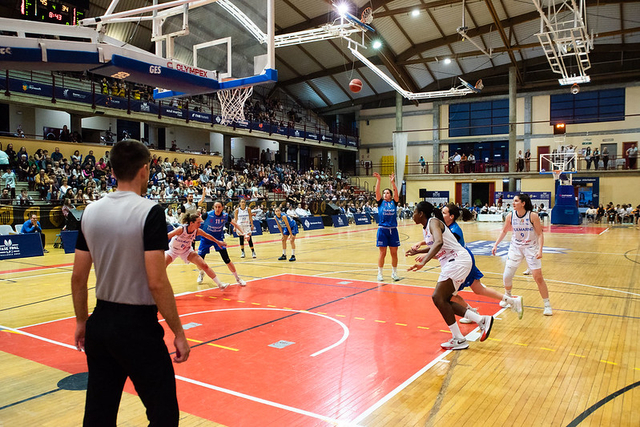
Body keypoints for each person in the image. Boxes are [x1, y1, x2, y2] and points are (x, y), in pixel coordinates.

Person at [70, 139, 189, 426]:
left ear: (112, 170)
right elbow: (157, 282)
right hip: (137, 329)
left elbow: (77, 277)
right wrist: (179, 332)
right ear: (145, 170)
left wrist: (81, 321)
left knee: (99, 413)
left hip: (101, 323)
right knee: (164, 414)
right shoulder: (150, 211)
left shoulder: (90, 211)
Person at [405, 202, 493, 350]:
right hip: (453, 261)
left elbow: (439, 242)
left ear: (421, 214)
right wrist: (419, 252)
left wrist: (424, 262)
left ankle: (460, 337)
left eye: (414, 212)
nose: (412, 215)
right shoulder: (426, 227)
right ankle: (480, 320)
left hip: (457, 260)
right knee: (444, 300)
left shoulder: (433, 222)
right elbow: (438, 244)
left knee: (438, 297)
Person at [436, 203, 523, 324]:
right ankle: (512, 301)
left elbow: (442, 248)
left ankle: (472, 313)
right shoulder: (448, 228)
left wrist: (425, 255)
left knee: (449, 294)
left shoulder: (454, 230)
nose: (441, 214)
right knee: (479, 289)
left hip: (462, 263)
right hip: (465, 260)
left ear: (451, 216)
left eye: (444, 213)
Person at [492, 193, 553, 316]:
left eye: (516, 201)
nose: (513, 203)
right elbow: (504, 231)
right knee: (507, 276)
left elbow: (540, 234)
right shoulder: (510, 215)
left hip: (531, 248)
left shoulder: (533, 216)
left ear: (523, 203)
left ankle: (547, 305)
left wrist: (540, 250)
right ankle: (508, 297)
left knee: (538, 277)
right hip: (516, 248)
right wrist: (496, 244)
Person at [165, 213, 229, 290]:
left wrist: (218, 242)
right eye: (198, 222)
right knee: (161, 267)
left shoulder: (197, 231)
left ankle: (220, 284)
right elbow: (167, 236)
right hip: (173, 250)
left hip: (186, 251)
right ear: (191, 223)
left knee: (204, 265)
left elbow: (208, 236)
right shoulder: (181, 229)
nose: (200, 224)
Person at [197, 200, 247, 286]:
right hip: (206, 239)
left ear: (222, 207)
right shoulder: (207, 215)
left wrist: (244, 233)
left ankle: (237, 278)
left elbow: (236, 224)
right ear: (213, 207)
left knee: (227, 259)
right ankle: (201, 273)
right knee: (199, 261)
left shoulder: (225, 216)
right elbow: (197, 222)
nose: (217, 209)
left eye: (219, 207)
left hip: (218, 240)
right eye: (216, 207)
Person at [373, 172, 400, 282]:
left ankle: (394, 273)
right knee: (382, 253)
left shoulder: (394, 202)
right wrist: (379, 180)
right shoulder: (380, 203)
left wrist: (393, 183)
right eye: (384, 193)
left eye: (387, 193)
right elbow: (376, 192)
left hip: (393, 230)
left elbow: (396, 193)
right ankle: (380, 274)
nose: (385, 194)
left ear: (390, 195)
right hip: (382, 230)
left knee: (394, 253)